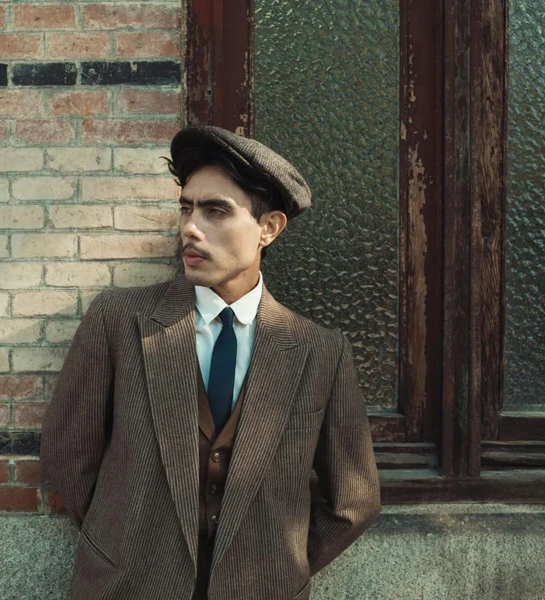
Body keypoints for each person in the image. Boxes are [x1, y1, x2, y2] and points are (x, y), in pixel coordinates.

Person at [40, 125, 381, 600]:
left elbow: (353, 499)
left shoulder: (318, 351)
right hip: (127, 587)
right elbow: (68, 456)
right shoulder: (119, 321)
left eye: (216, 211)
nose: (190, 228)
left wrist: (276, 566)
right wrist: (121, 543)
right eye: (187, 207)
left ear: (269, 228)